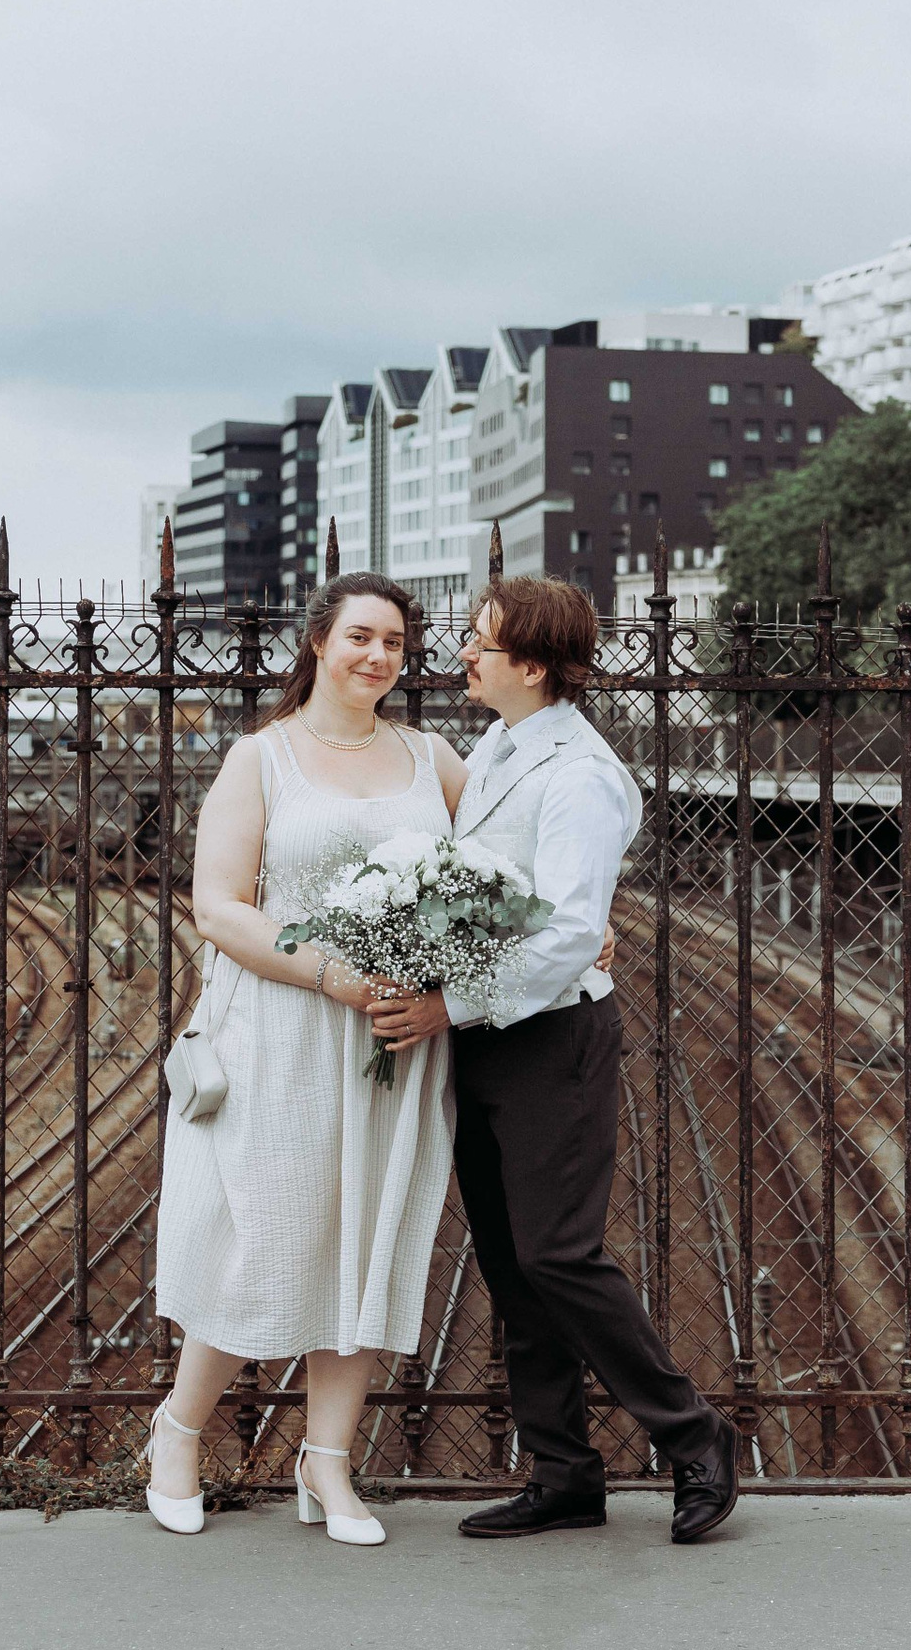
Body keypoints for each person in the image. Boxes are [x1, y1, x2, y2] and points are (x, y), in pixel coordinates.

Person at [368, 572, 741, 1544]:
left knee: (557, 1253)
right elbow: (502, 890)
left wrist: (449, 1002)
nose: (464, 656)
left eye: (482, 644)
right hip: (490, 1037)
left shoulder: (576, 773)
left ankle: (694, 1436)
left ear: (531, 665)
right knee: (508, 1259)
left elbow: (570, 931)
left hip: (549, 1037)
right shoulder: (500, 742)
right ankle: (564, 1471)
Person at [144, 571, 465, 1545]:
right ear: (319, 639)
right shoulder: (261, 758)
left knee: (367, 1234)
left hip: (393, 1035)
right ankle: (177, 1431)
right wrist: (328, 974)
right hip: (286, 1027)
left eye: (394, 644)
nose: (377, 656)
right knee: (263, 1234)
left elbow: (501, 876)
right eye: (360, 636)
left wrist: (463, 979)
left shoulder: (432, 757)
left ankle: (328, 1464)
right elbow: (220, 906)